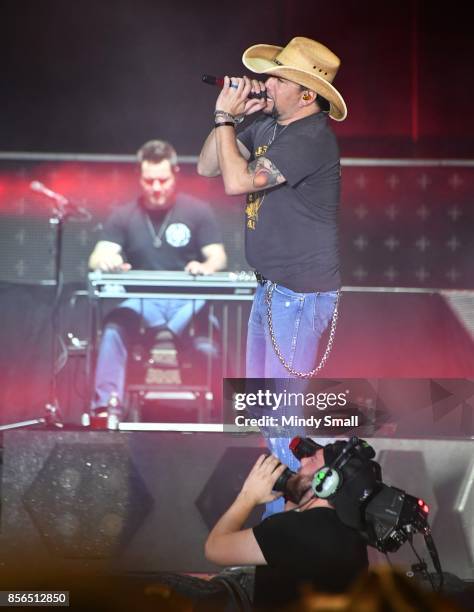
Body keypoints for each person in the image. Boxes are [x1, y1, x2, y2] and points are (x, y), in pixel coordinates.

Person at [198, 37, 347, 512]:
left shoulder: (312, 137)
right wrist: (232, 117)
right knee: (266, 415)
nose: (267, 82)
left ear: (307, 94)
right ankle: (285, 522)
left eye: (279, 77)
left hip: (299, 297)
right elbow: (207, 166)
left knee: (284, 419)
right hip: (269, 290)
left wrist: (225, 119)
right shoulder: (268, 126)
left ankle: (302, 525)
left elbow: (237, 181)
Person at [89, 139, 227, 417]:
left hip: (188, 303)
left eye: (162, 180)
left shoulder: (197, 211)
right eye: (149, 180)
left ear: (175, 173)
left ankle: (223, 410)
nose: (156, 188)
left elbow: (218, 256)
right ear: (139, 177)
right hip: (141, 303)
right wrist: (108, 260)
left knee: (211, 343)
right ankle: (105, 408)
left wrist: (206, 267)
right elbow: (97, 257)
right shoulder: (123, 216)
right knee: (114, 329)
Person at [204, 440, 368, 610]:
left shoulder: (299, 529)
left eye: (312, 460)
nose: (302, 462)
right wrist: (291, 497)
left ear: (328, 482)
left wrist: (248, 496)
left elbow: (214, 548)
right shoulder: (350, 537)